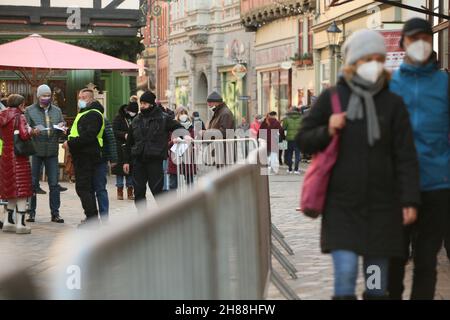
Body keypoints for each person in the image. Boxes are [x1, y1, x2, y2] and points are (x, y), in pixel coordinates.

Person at [296, 29, 421, 299]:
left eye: (379, 58)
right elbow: (303, 140)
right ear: (353, 62)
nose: (374, 64)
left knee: (376, 288)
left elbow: (406, 156)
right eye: (367, 59)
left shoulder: (392, 103)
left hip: (383, 212)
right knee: (345, 274)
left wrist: (410, 200)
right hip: (343, 210)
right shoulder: (332, 98)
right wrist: (327, 129)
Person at [388, 18, 450, 300]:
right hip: (397, 188)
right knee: (394, 261)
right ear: (403, 44)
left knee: (426, 263)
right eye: (414, 39)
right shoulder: (389, 86)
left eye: (426, 38)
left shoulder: (444, 84)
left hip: (437, 186)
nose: (421, 44)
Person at [123, 91, 186, 212]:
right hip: (138, 160)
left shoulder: (163, 118)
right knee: (139, 192)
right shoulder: (136, 120)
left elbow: (178, 127)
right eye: (141, 103)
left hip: (155, 160)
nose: (142, 106)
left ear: (151, 104)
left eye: (145, 103)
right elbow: (129, 143)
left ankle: (165, 215)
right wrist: (126, 161)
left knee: (157, 191)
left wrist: (184, 136)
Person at [65, 89, 105, 227]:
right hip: (82, 155)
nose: (80, 100)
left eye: (83, 97)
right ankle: (91, 217)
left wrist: (69, 143)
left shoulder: (93, 114)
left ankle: (92, 219)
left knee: (83, 188)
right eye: (79, 97)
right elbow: (79, 131)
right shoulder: (85, 113)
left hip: (86, 156)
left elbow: (88, 136)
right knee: (85, 188)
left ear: (91, 99)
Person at [25, 84, 65, 223]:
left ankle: (55, 213)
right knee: (33, 183)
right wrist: (31, 131)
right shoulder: (29, 110)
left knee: (54, 184)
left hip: (52, 151)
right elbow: (25, 128)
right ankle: (31, 212)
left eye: (48, 96)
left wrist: (62, 127)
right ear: (38, 97)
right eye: (43, 96)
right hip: (35, 151)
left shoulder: (57, 110)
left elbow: (62, 124)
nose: (46, 98)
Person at [0, 94, 38, 234]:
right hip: (19, 156)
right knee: (22, 190)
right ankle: (20, 224)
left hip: (6, 155)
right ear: (20, 104)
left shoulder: (2, 116)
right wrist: (31, 131)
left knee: (10, 189)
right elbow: (24, 135)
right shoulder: (20, 117)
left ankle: (8, 222)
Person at [113, 102, 138, 200]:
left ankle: (130, 190)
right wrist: (124, 135)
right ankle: (119, 190)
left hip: (131, 147)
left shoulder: (135, 118)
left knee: (130, 170)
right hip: (120, 147)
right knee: (120, 170)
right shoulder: (118, 118)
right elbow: (114, 131)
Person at [168, 107, 196, 190]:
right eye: (181, 113)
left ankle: (191, 201)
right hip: (175, 159)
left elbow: (195, 140)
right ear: (177, 115)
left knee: (190, 184)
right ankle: (174, 202)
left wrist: (194, 143)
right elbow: (167, 144)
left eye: (185, 113)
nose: (183, 115)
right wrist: (173, 141)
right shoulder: (171, 127)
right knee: (173, 184)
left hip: (188, 159)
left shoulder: (191, 127)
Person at [283, 106, 302, 174]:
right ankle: (296, 170)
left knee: (289, 154)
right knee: (297, 154)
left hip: (289, 139)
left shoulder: (286, 119)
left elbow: (284, 128)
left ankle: (290, 169)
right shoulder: (301, 118)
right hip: (298, 138)